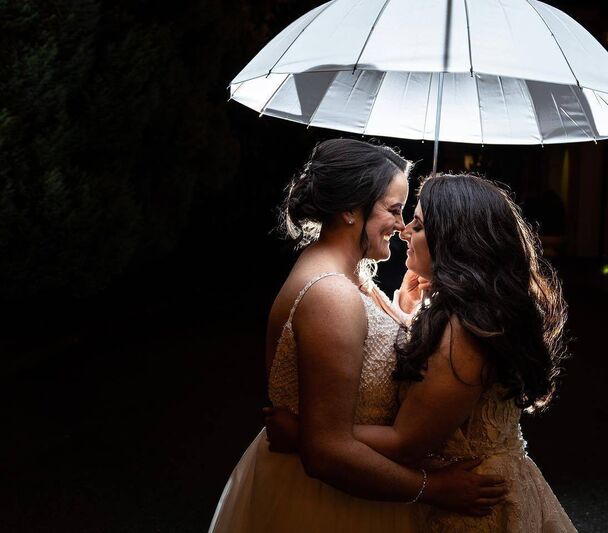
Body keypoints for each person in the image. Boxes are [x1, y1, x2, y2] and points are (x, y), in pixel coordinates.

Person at [209, 141, 507, 533]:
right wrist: (432, 488)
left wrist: (406, 311)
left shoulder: (346, 273)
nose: (402, 226)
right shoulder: (331, 294)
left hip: (361, 484)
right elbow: (325, 452)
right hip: (327, 501)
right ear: (350, 209)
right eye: (394, 210)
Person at [267, 173, 576, 532]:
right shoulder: (469, 313)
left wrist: (305, 433)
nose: (404, 231)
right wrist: (411, 310)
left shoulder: (465, 332)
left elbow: (405, 443)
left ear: (454, 240)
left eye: (418, 225)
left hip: (473, 503)